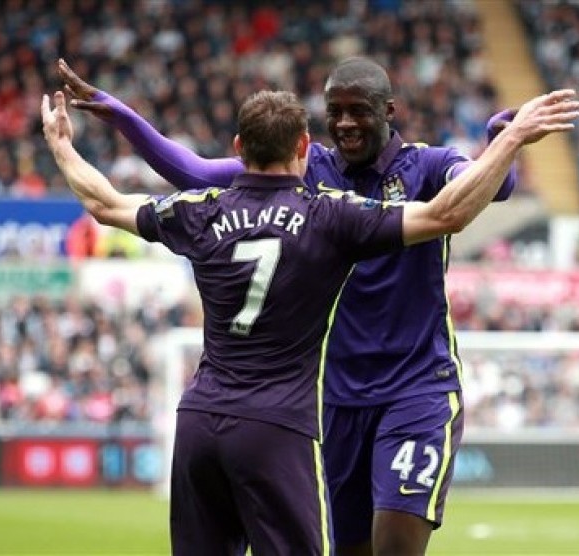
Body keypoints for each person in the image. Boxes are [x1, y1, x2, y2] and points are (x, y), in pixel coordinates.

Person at [58, 55, 548, 555]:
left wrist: (499, 147)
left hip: (416, 386)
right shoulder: (310, 175)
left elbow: (493, 190)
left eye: (358, 110)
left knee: (398, 538)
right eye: (334, 111)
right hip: (332, 397)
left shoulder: (428, 164)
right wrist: (123, 115)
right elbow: (195, 172)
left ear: (389, 111)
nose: (345, 122)